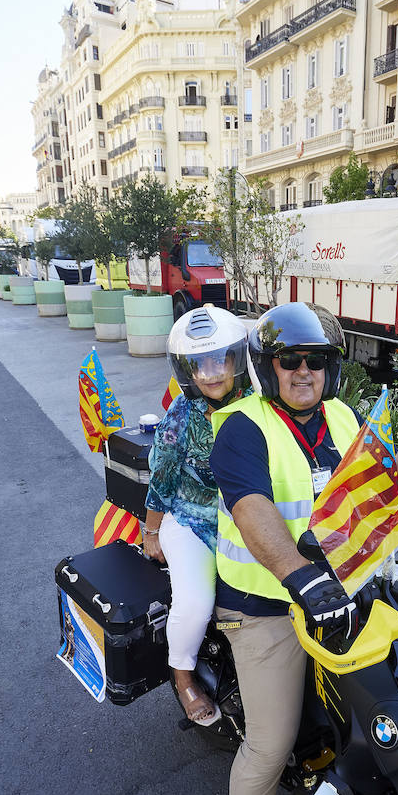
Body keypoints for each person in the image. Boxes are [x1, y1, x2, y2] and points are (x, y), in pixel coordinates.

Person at [209, 302, 398, 795]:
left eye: (314, 362)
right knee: (269, 743)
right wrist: (300, 575)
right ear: (267, 367)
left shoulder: (341, 416)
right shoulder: (244, 426)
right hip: (267, 605)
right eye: (288, 360)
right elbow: (251, 509)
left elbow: (390, 465)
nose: (302, 372)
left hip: (345, 592)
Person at [142, 305, 251, 726]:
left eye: (218, 360)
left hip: (244, 521)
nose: (209, 373)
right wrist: (151, 532)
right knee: (196, 601)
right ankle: (183, 676)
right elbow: (163, 476)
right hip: (191, 521)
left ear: (237, 360)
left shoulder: (257, 406)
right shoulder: (182, 415)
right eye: (197, 364)